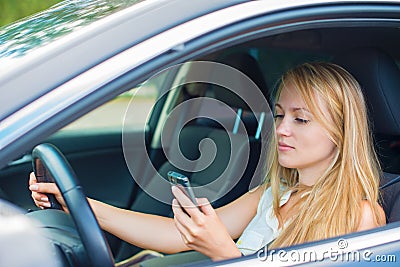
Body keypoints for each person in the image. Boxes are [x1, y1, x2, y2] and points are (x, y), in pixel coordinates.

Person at [29, 62, 386, 262]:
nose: (281, 130)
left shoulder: (361, 217)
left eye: (301, 119)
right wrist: (80, 205)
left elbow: (219, 251)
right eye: (277, 117)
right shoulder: (273, 194)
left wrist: (223, 251)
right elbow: (173, 235)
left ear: (341, 132)